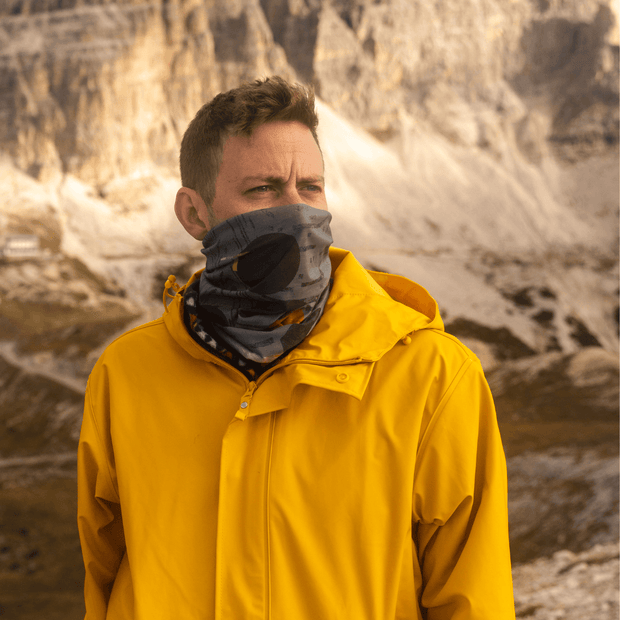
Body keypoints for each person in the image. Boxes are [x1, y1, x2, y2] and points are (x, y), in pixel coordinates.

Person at [77, 75, 515, 619]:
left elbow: (474, 600)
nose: (297, 212)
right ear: (194, 214)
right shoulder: (127, 375)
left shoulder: (431, 375)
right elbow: (107, 574)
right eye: (262, 190)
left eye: (310, 187)